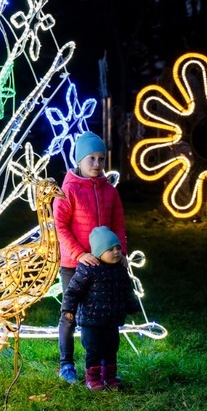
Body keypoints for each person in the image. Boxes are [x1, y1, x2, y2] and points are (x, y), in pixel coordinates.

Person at [53, 131, 128, 383]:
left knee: (99, 316)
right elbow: (60, 226)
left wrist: (120, 252)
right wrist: (79, 253)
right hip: (74, 264)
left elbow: (118, 223)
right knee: (70, 314)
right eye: (91, 159)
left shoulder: (110, 191)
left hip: (103, 266)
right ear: (80, 160)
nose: (97, 164)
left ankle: (101, 365)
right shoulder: (68, 191)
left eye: (101, 158)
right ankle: (66, 364)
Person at [59, 226, 140, 391]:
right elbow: (73, 292)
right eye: (110, 249)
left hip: (112, 319)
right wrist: (68, 310)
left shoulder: (120, 270)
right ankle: (93, 378)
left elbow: (127, 289)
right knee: (93, 350)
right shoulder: (88, 270)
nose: (116, 252)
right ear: (98, 252)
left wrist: (132, 306)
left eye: (118, 248)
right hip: (91, 320)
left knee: (111, 348)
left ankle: (109, 376)